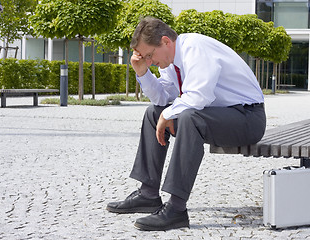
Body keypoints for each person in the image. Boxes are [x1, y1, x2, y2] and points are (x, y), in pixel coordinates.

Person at [106, 17, 266, 231]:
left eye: (150, 55)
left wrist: (168, 115)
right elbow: (162, 99)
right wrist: (142, 72)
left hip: (247, 118)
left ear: (165, 42)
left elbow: (199, 96)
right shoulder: (172, 62)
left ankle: (176, 209)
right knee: (154, 113)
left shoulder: (195, 48)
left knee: (190, 118)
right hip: (220, 115)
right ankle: (148, 194)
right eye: (146, 57)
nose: (150, 61)